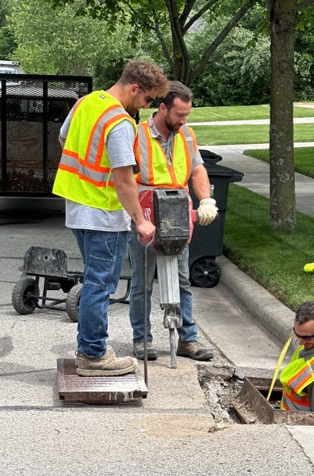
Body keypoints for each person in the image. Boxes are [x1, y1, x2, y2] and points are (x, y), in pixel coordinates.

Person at [52, 60, 168, 377]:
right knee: (100, 286)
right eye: (147, 100)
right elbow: (124, 180)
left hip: (77, 208)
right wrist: (140, 221)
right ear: (134, 89)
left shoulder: (85, 103)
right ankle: (93, 355)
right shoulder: (119, 122)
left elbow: (63, 139)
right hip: (104, 215)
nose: (146, 106)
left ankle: (92, 347)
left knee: (93, 281)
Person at [128, 80, 218, 362]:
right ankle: (142, 339)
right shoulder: (137, 134)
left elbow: (197, 169)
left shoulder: (186, 135)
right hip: (146, 212)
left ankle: (187, 340)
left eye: (187, 115)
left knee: (181, 280)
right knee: (143, 282)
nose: (183, 120)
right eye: (179, 114)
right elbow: (124, 177)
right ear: (163, 107)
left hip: (177, 213)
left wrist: (206, 200)